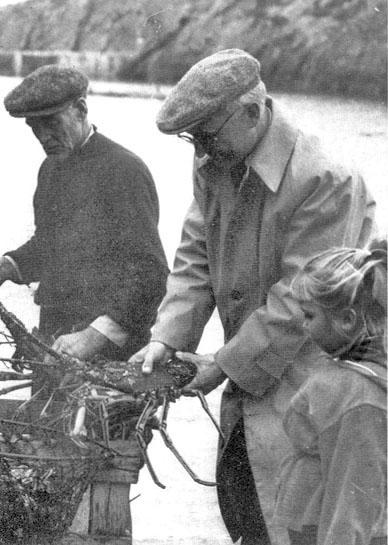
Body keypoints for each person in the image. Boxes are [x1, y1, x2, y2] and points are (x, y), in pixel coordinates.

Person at [129, 49, 377, 545]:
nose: (199, 151)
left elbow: (298, 304)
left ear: (250, 112)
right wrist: (164, 338)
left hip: (326, 389)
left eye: (206, 135)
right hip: (251, 388)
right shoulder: (218, 162)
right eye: (192, 138)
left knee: (315, 523)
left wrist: (220, 364)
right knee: (250, 514)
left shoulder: (326, 178)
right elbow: (196, 252)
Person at [0, 64, 169, 368]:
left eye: (51, 123)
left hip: (113, 356)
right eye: (34, 126)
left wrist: (94, 337)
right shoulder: (50, 168)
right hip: (53, 344)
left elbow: (150, 274)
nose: (43, 135)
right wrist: (11, 265)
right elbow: (49, 245)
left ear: (81, 109)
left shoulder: (124, 170)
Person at [275, 238, 387, 545]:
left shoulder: (361, 396)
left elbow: (355, 498)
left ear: (346, 320)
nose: (303, 324)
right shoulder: (345, 375)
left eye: (309, 315)